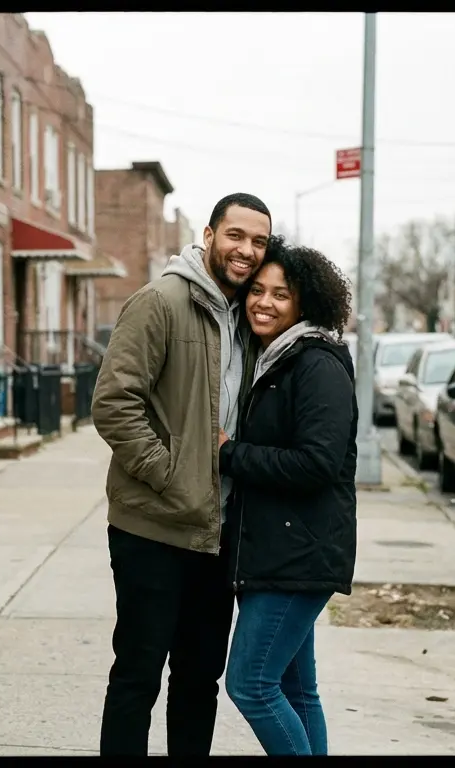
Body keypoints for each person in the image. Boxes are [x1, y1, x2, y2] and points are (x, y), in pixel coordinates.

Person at [91, 192, 273, 756]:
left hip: (216, 535)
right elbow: (113, 403)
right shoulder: (161, 301)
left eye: (258, 242)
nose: (246, 250)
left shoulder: (245, 318)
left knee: (199, 683)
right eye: (236, 235)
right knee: (138, 676)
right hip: (152, 527)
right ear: (210, 233)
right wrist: (169, 475)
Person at [218, 240, 358, 756]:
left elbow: (318, 464)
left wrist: (231, 453)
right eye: (257, 290)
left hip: (298, 554)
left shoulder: (315, 364)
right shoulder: (273, 360)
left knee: (250, 685)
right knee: (298, 691)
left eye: (281, 294)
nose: (265, 302)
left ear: (305, 304)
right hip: (279, 551)